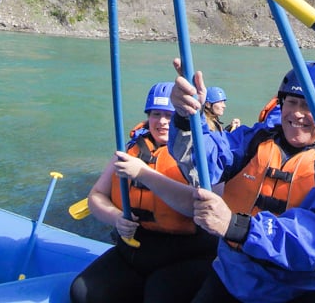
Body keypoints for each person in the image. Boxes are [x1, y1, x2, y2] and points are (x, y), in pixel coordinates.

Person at [169, 60, 315, 303]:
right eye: (292, 102)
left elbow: (311, 241)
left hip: (297, 290)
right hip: (234, 276)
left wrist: (235, 225)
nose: (298, 113)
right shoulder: (253, 140)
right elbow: (201, 164)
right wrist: (187, 118)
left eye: (311, 105)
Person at [69, 82, 217, 303]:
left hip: (185, 254)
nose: (163, 122)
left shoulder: (199, 152)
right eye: (156, 114)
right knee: (82, 292)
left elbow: (201, 207)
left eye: (170, 114)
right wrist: (116, 217)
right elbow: (96, 196)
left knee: (159, 295)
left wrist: (144, 174)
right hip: (134, 248)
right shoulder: (131, 150)